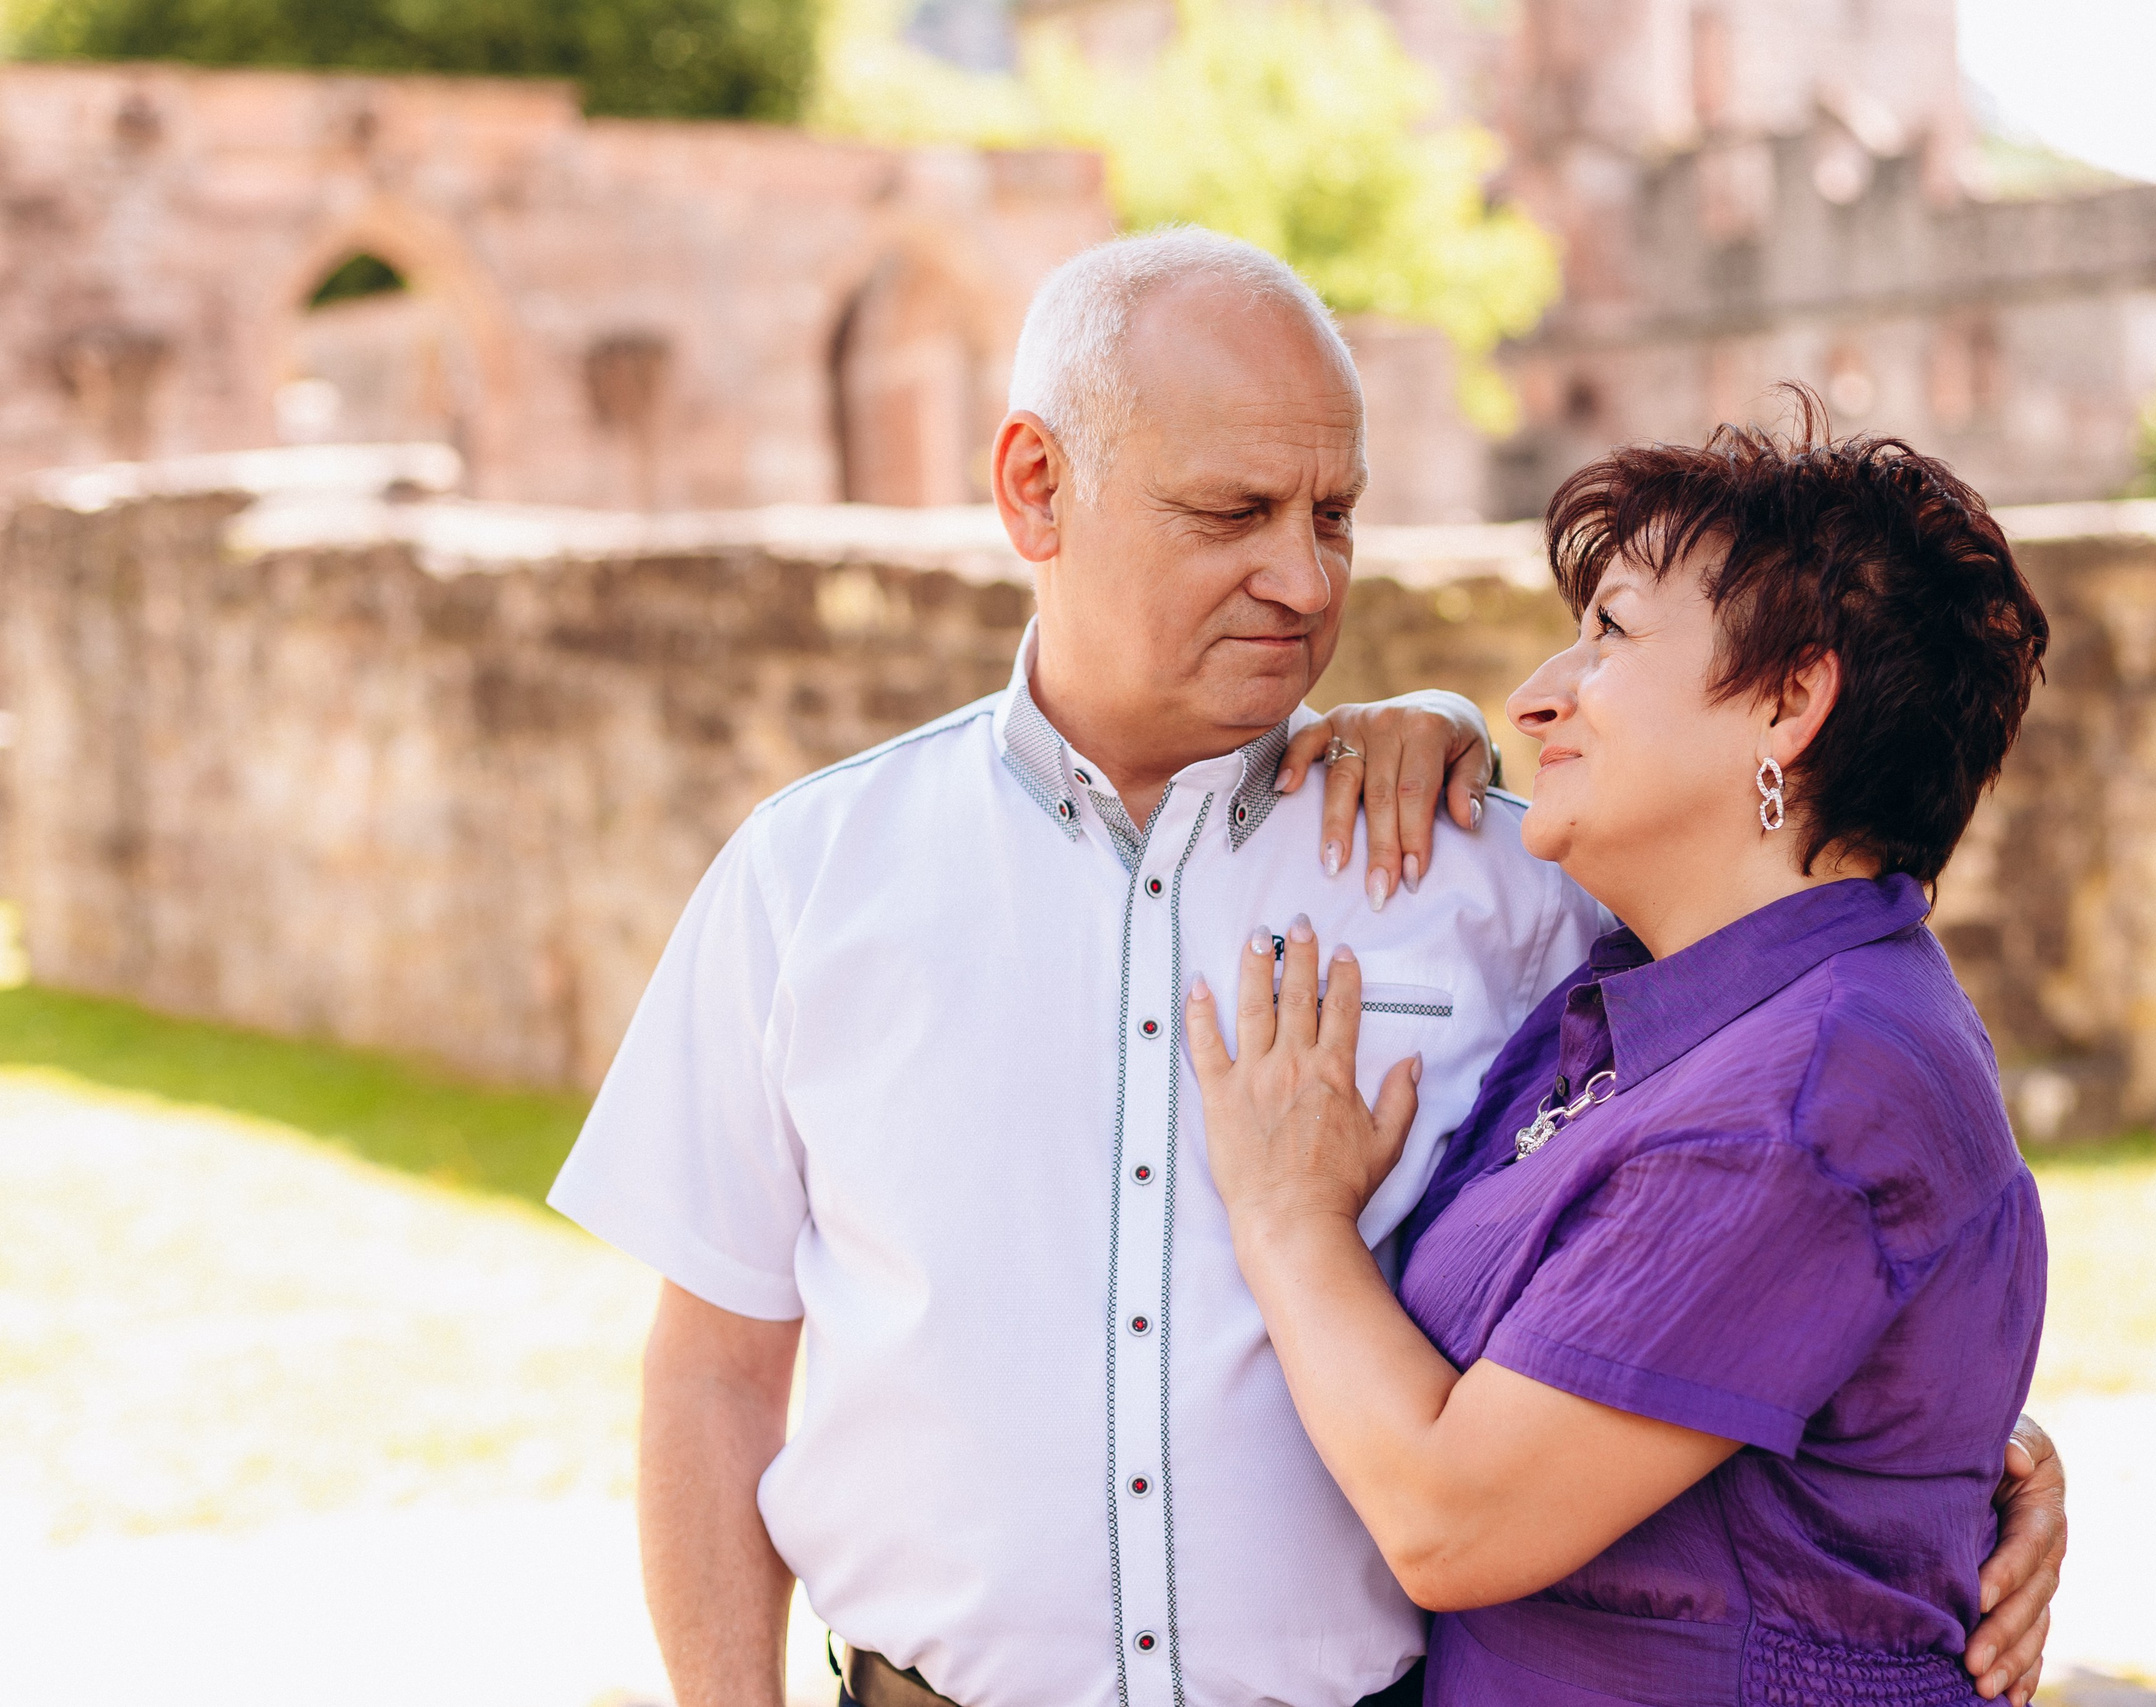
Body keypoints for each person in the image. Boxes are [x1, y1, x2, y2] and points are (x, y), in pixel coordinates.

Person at [548, 230, 2066, 1707]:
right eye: (1234, 511)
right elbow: (714, 1374)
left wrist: (1963, 1465)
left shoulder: (1511, 883)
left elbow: (1795, 1206)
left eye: (1333, 514)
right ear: (1036, 487)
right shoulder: (810, 874)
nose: (1301, 577)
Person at [1185, 419, 2057, 1706]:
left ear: (1789, 702)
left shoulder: (1812, 1093)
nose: (1535, 698)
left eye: (1612, 633)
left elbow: (1451, 1522)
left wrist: (1284, 1212)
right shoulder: (1658, 1002)